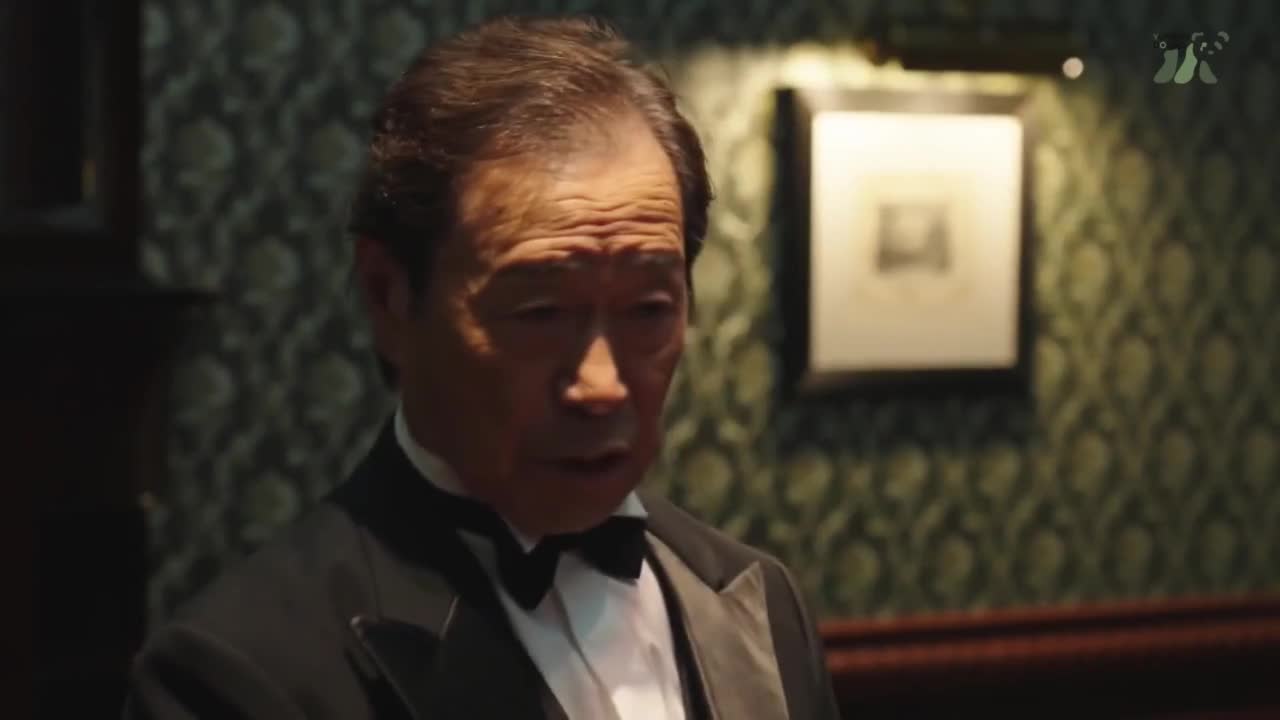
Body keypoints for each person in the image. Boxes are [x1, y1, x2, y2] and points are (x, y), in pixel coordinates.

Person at [124, 14, 841, 720]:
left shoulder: (756, 600)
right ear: (390, 296)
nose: (600, 386)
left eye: (648, 310)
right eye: (540, 313)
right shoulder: (241, 672)